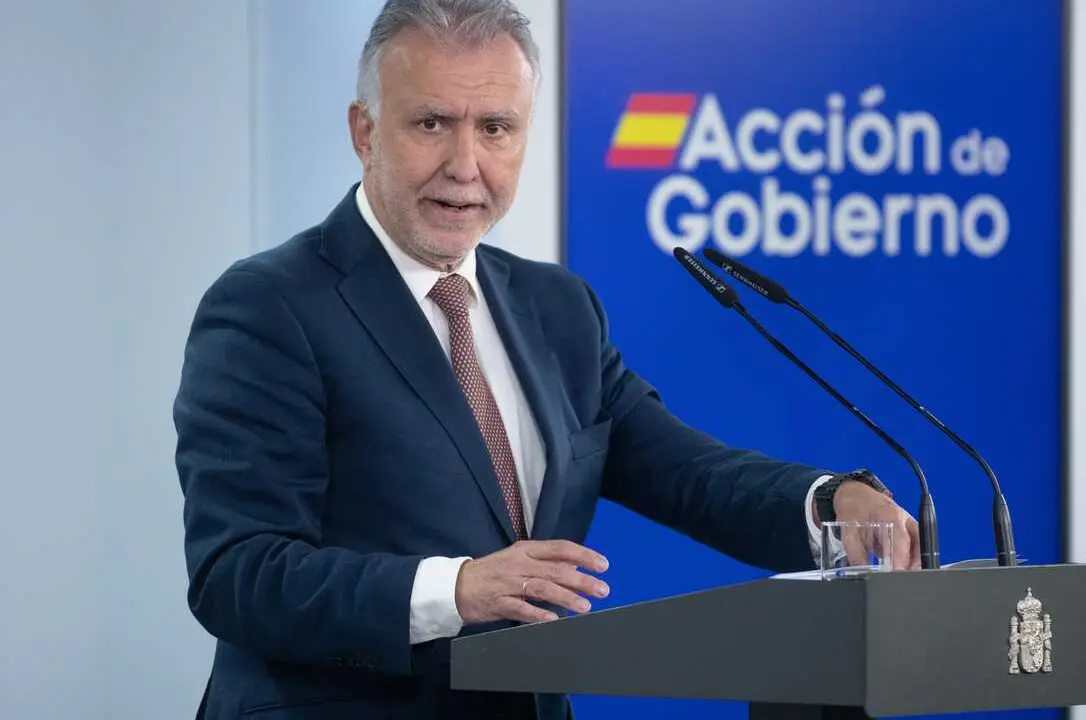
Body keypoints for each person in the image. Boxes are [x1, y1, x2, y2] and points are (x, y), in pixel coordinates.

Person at [173, 1, 921, 718]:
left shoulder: (557, 307)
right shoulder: (272, 305)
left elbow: (689, 475)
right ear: (364, 131)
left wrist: (825, 504)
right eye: (432, 123)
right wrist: (455, 590)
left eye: (495, 128)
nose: (465, 164)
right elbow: (238, 572)